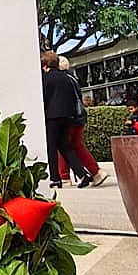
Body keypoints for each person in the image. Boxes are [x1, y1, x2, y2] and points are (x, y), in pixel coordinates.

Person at [57, 56, 107, 186]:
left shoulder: (62, 80)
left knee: (62, 145)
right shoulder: (73, 78)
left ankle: (64, 176)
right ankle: (96, 172)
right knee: (77, 145)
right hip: (79, 117)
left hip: (69, 117)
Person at [41, 52, 82, 191]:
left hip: (52, 116)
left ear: (45, 64)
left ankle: (55, 178)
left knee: (51, 147)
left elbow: (44, 97)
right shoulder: (67, 77)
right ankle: (82, 174)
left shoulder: (45, 79)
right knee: (65, 146)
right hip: (68, 115)